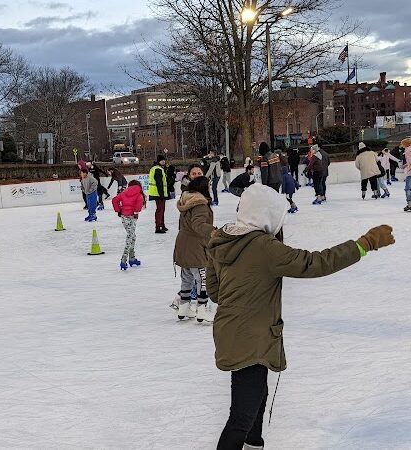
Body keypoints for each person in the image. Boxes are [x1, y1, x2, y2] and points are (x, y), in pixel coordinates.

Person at [207, 183, 395, 449]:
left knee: (257, 397)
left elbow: (215, 292)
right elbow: (314, 263)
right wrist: (364, 245)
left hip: (231, 333)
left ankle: (253, 445)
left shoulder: (223, 239)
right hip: (251, 338)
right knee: (241, 416)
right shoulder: (263, 246)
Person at [172, 176, 216, 323]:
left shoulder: (187, 200)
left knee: (187, 276)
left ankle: (184, 307)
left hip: (183, 243)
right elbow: (199, 225)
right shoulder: (199, 204)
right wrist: (214, 231)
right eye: (208, 185)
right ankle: (202, 309)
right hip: (195, 245)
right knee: (202, 278)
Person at [112, 180, 145, 271]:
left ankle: (132, 258)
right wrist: (135, 212)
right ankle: (124, 259)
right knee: (130, 236)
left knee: (133, 236)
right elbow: (139, 205)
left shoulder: (124, 192)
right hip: (132, 217)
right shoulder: (139, 194)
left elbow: (115, 200)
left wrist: (118, 210)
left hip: (124, 217)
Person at [148, 155, 169, 233]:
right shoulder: (157, 169)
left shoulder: (158, 168)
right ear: (158, 161)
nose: (164, 161)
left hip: (158, 193)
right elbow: (159, 183)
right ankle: (158, 227)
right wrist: (161, 194)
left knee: (161, 210)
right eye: (162, 160)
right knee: (160, 210)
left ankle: (162, 225)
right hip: (158, 193)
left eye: (164, 160)